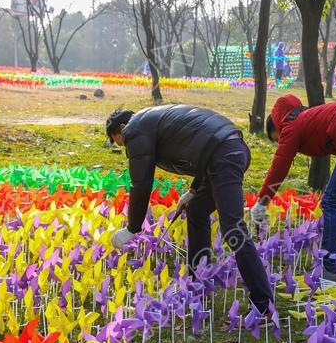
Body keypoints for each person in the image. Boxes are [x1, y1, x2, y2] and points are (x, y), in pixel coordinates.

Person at [106, 106, 272, 312]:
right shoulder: (150, 120)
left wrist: (132, 228)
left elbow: (140, 183)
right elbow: (204, 143)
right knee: (196, 210)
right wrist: (194, 191)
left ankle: (263, 305)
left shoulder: (134, 130)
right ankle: (199, 283)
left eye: (121, 142)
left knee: (233, 229)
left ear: (122, 128)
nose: (126, 147)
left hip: (224, 156)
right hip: (229, 150)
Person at [251, 95, 336, 284]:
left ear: (277, 124)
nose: (280, 143)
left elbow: (279, 167)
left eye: (277, 140)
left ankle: (329, 271)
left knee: (331, 201)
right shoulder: (307, 117)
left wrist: (262, 202)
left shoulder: (291, 126)